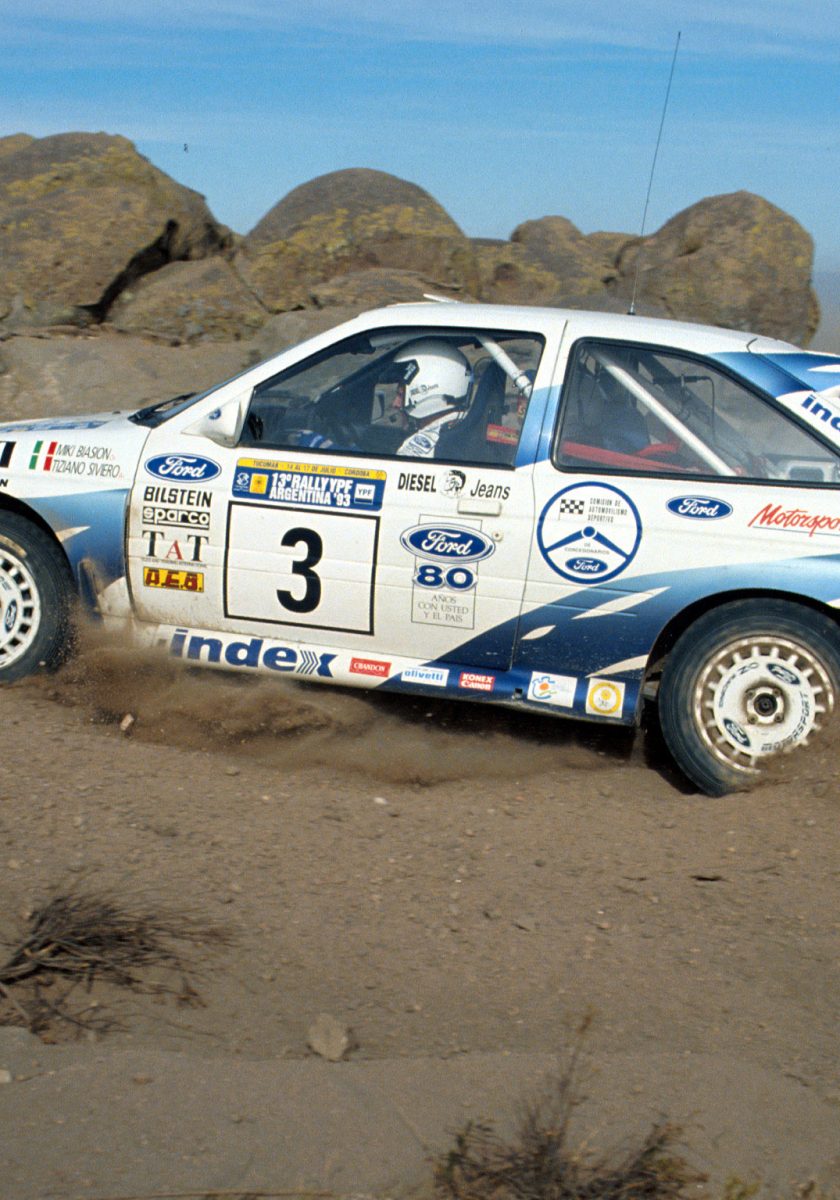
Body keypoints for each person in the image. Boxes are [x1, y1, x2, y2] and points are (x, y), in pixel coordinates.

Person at [380, 339, 473, 458]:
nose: (395, 403)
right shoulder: (469, 426)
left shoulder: (413, 452)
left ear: (425, 390)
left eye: (401, 395)